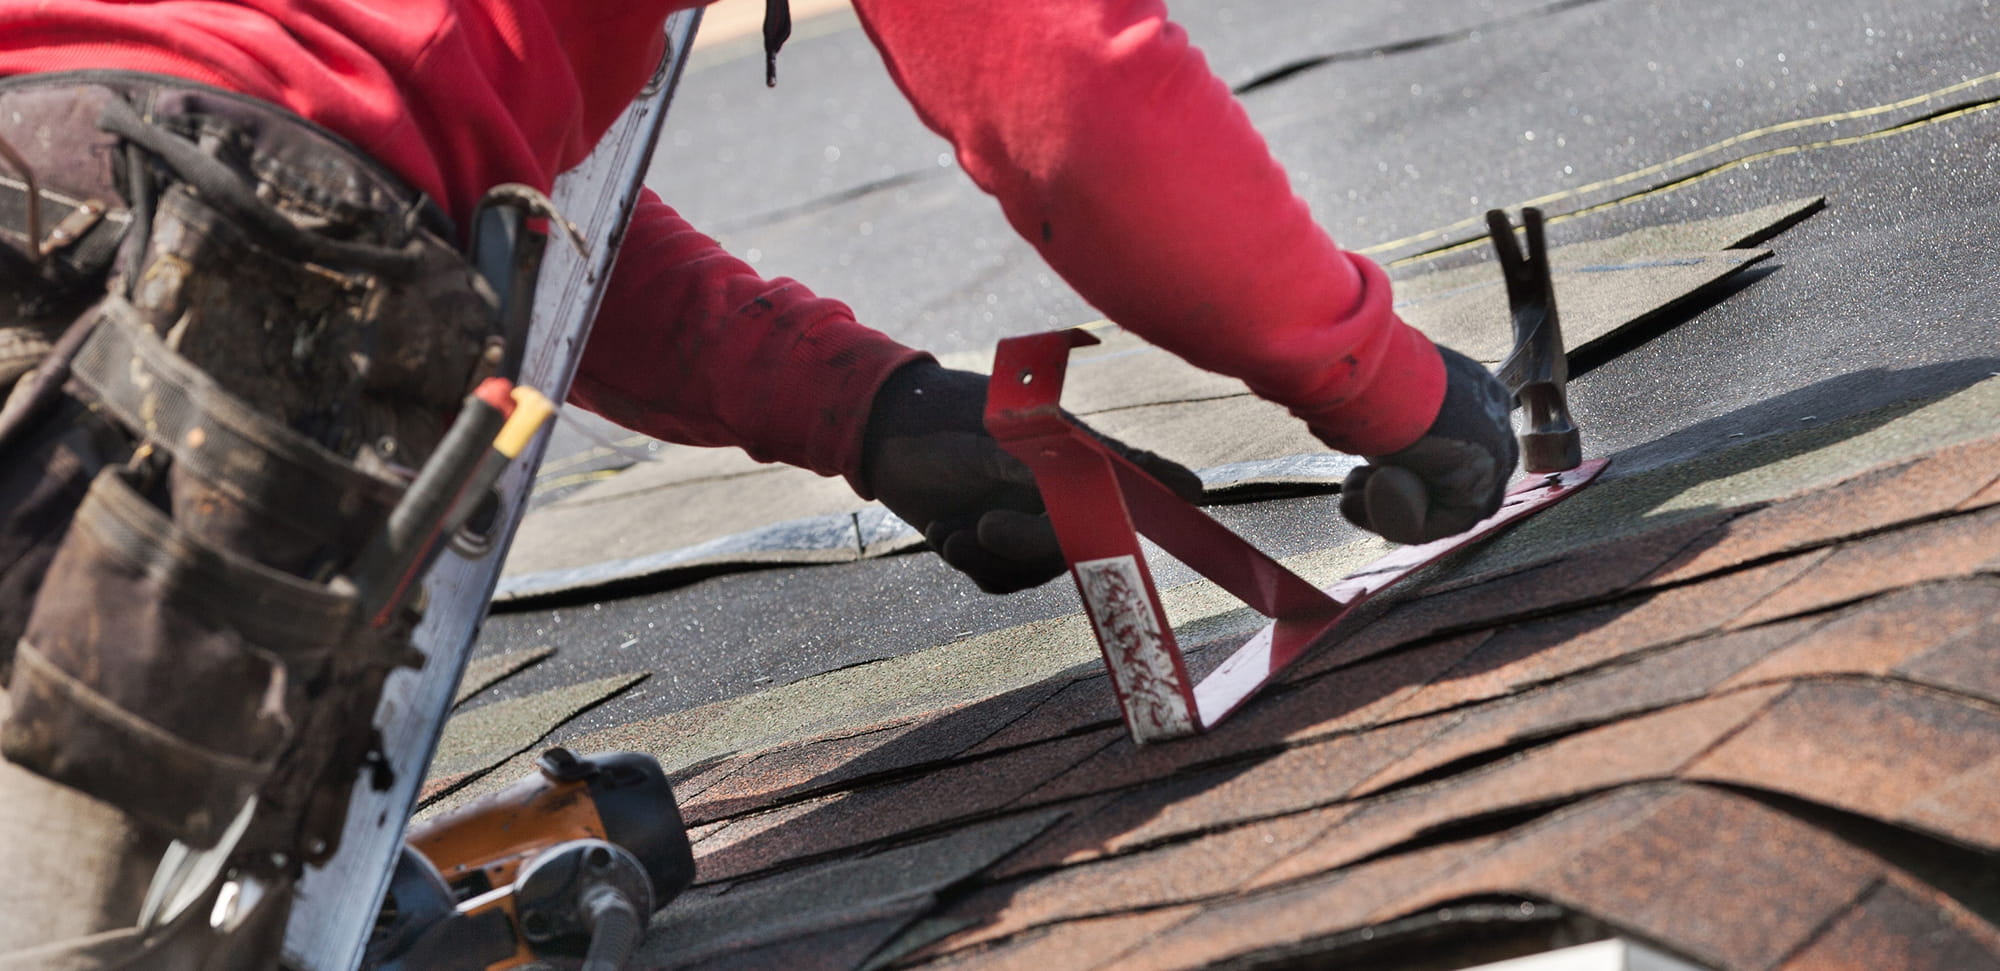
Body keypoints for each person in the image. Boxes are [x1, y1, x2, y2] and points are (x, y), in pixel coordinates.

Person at [0, 0, 1515, 964]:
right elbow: (1065, 94)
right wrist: (1385, 385)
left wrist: (857, 403)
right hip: (173, 270)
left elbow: (503, 189)